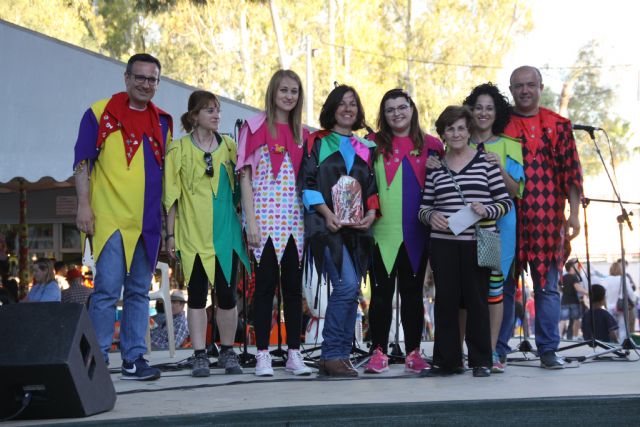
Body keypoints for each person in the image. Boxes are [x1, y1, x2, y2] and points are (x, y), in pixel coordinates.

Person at [74, 53, 172, 381]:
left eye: (152, 79)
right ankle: (99, 362)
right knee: (106, 290)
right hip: (110, 216)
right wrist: (83, 206)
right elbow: (82, 164)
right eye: (140, 77)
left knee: (138, 292)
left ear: (158, 83)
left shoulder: (163, 121)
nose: (145, 84)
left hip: (147, 221)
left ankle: (133, 359)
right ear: (126, 78)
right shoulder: (99, 112)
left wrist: (168, 227)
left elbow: (164, 174)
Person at [498, 65, 583, 369]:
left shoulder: (559, 124)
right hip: (507, 217)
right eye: (518, 85)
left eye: (530, 85)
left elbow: (572, 173)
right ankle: (498, 349)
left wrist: (573, 214)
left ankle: (548, 349)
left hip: (548, 219)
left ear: (540, 87)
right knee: (503, 285)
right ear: (510, 90)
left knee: (547, 287)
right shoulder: (500, 124)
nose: (524, 90)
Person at [418, 106, 512, 378]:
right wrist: (431, 215)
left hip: (479, 241)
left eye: (461, 127)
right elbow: (423, 209)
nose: (456, 133)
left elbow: (505, 202)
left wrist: (487, 210)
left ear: (469, 130)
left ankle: (481, 360)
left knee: (477, 301)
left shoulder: (486, 164)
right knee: (445, 302)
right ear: (443, 134)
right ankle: (447, 361)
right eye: (450, 129)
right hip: (443, 243)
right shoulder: (436, 167)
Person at [164, 90, 250, 377]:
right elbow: (171, 198)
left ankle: (227, 350)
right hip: (192, 235)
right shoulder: (178, 150)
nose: (216, 115)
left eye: (218, 110)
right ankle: (200, 353)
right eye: (209, 110)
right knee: (197, 296)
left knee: (227, 297)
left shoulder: (229, 145)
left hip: (225, 235)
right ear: (194, 116)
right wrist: (170, 236)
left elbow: (246, 182)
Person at [237, 70, 312, 376]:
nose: (289, 96)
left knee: (293, 290)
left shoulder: (304, 134)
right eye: (284, 90)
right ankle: (263, 354)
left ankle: (295, 352)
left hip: (294, 221)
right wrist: (250, 221)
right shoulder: (254, 127)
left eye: (294, 91)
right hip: (264, 220)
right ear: (273, 91)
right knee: (265, 287)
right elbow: (244, 176)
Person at [301, 85, 379, 377]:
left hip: (357, 232)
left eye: (353, 104)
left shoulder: (367, 147)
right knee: (346, 286)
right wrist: (326, 213)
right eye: (342, 103)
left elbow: (371, 187)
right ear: (332, 108)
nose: (348, 109)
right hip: (326, 227)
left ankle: (340, 356)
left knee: (351, 289)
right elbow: (307, 182)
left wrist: (371, 213)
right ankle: (332, 354)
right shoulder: (317, 141)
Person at [365, 89, 443, 374]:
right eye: (390, 109)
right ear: (383, 115)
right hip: (380, 233)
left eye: (402, 107)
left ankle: (414, 352)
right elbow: (362, 183)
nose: (397, 113)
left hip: (416, 234)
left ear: (412, 108)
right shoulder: (371, 144)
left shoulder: (433, 145)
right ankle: (378, 352)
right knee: (381, 295)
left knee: (413, 296)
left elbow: (445, 185)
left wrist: (440, 168)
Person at [603, 259, 637, 342]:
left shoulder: (606, 279)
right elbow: (631, 293)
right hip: (621, 308)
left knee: (612, 329)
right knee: (623, 329)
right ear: (620, 269)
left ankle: (613, 346)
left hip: (610, 307)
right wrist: (633, 301)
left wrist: (606, 305)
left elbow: (604, 294)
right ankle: (622, 347)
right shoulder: (624, 279)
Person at [559, 259, 587, 340]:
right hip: (574, 301)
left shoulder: (563, 277)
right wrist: (587, 292)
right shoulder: (574, 277)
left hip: (564, 300)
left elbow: (560, 288)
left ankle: (560, 335)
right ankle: (575, 337)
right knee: (576, 319)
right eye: (575, 266)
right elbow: (578, 288)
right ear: (572, 267)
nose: (577, 267)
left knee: (563, 319)